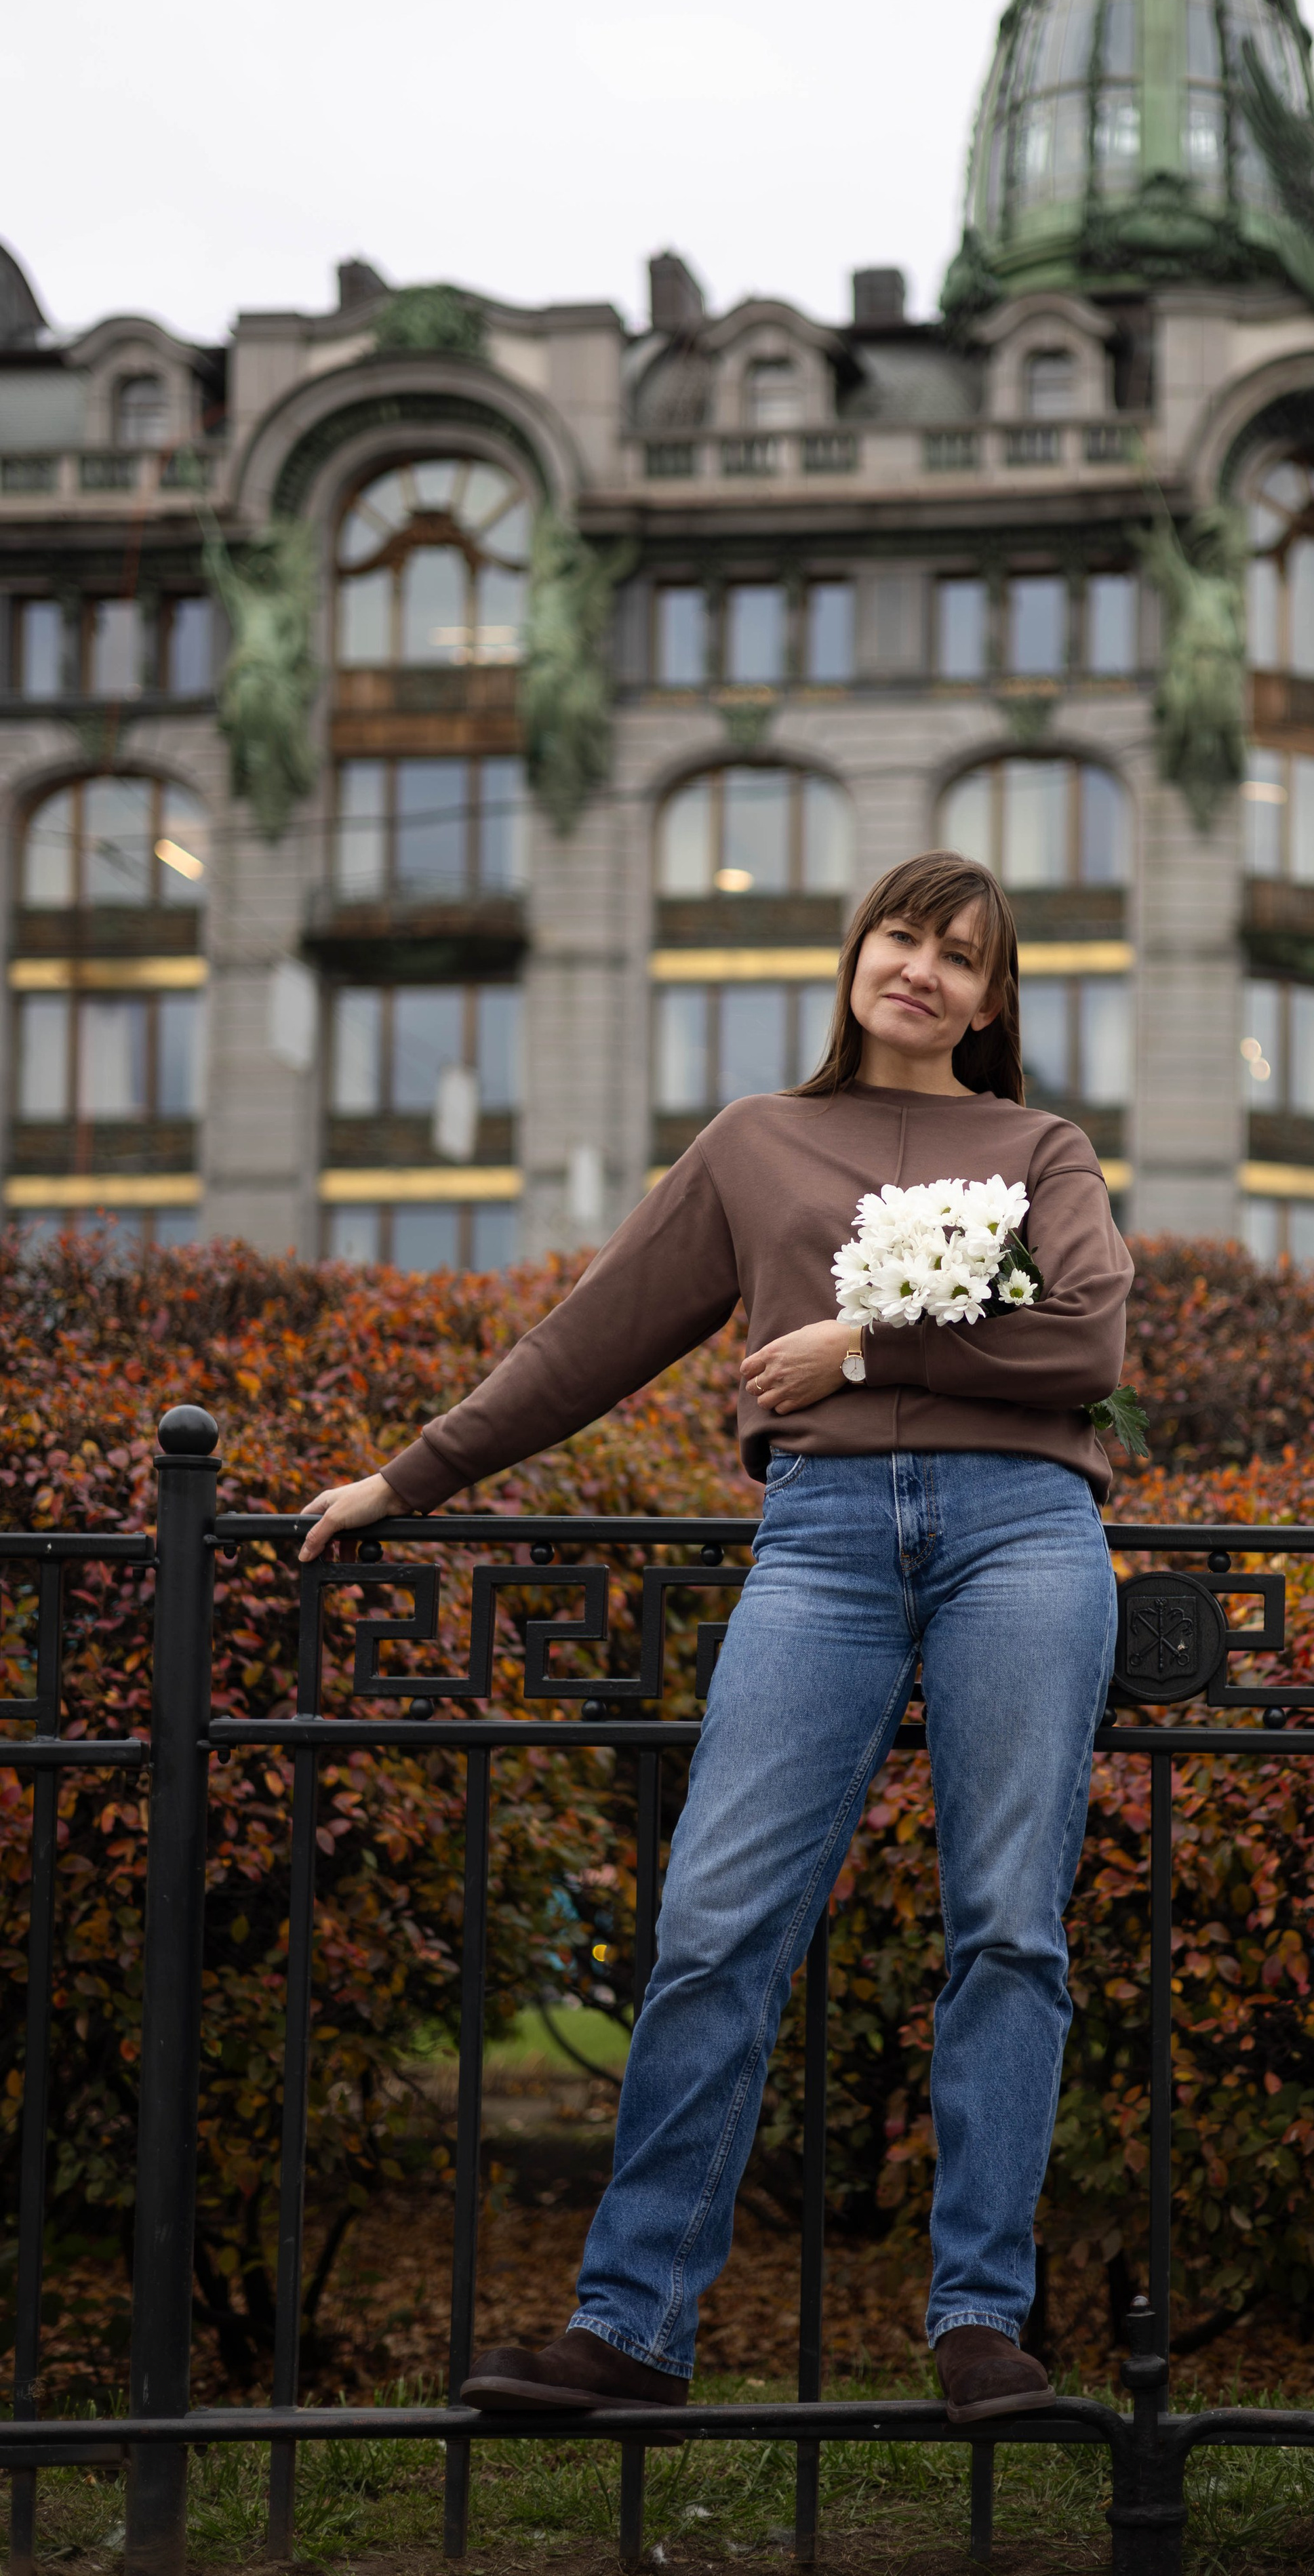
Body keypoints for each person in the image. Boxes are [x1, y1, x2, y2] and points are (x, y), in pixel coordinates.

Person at [300, 849, 1134, 2425]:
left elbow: (1084, 1333)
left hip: (1024, 1535)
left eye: (961, 956)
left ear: (991, 996)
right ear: (853, 954)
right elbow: (586, 1341)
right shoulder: (755, 1143)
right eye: (901, 935)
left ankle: (979, 2325)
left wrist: (861, 1342)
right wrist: (407, 1479)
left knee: (1007, 1928)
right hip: (818, 1549)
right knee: (712, 1925)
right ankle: (632, 2326)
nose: (922, 972)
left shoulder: (1039, 1147)